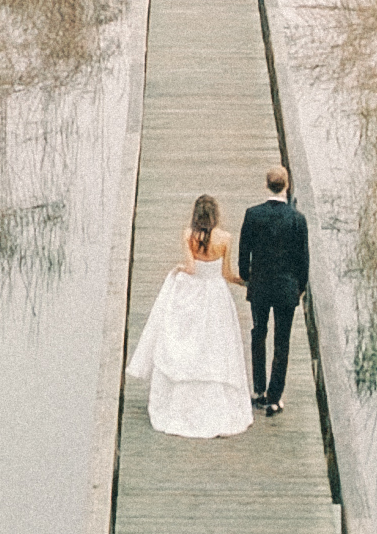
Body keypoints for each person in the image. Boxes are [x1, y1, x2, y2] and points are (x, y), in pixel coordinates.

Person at [126, 193, 252, 438]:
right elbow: (226, 274)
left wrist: (178, 270)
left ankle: (180, 402)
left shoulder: (188, 235)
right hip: (216, 295)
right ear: (216, 215)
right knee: (215, 345)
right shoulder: (225, 238)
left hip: (195, 293)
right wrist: (244, 282)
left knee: (189, 342)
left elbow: (192, 268)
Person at [238, 165, 309, 416]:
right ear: (287, 186)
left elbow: (243, 253)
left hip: (260, 287)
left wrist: (247, 278)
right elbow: (303, 260)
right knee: (282, 341)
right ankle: (274, 396)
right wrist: (300, 287)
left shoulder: (252, 215)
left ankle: (258, 389)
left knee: (259, 334)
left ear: (266, 185)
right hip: (286, 288)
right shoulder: (297, 219)